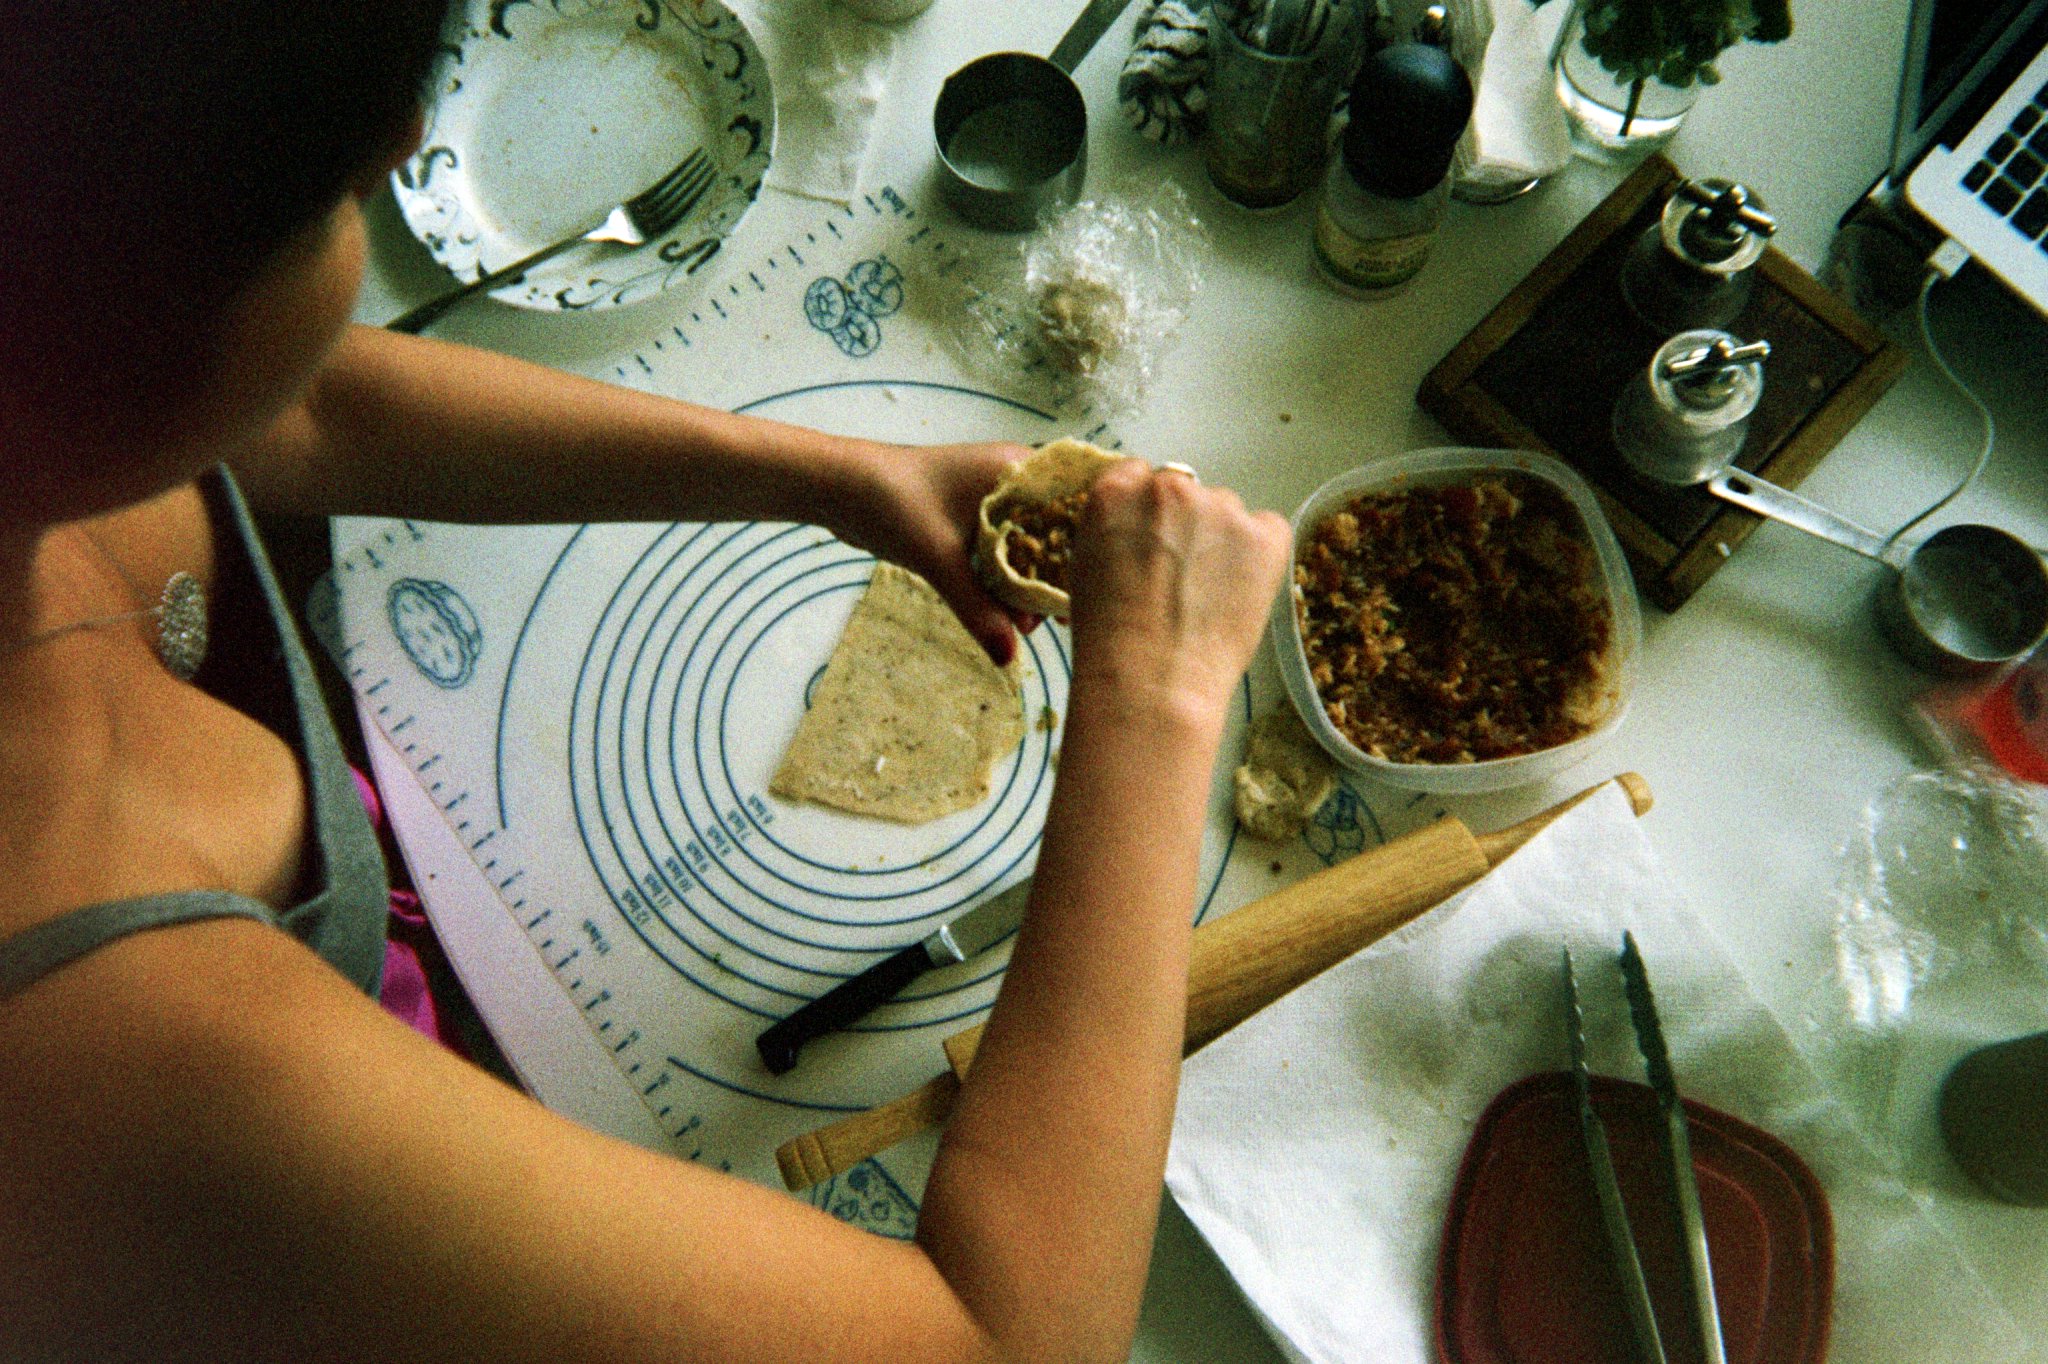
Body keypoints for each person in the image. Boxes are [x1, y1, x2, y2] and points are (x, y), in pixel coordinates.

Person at [0, 5, 1294, 1362]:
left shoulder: (70, 392)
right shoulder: (122, 1053)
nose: (394, 161)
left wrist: (838, 478)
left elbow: (306, 406)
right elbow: (1008, 1336)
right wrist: (1157, 698)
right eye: (327, 207)